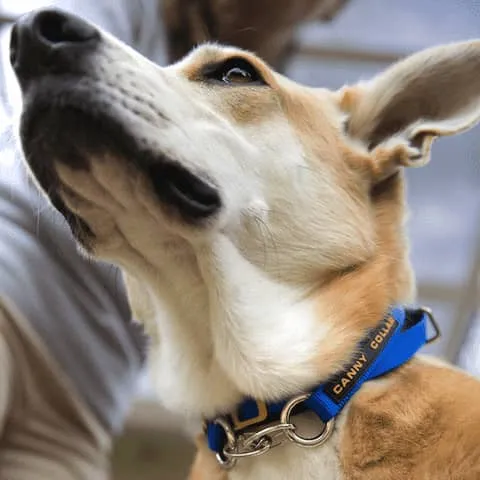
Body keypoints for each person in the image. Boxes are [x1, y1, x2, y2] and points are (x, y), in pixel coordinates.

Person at [0, 1, 348, 478]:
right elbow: (41, 71)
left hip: (83, 398)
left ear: (330, 10)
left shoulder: (274, 98)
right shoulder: (127, 8)